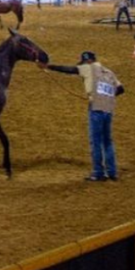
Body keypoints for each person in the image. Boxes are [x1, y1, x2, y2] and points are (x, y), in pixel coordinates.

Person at [38, 51, 124, 182]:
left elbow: (69, 70)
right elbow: (121, 89)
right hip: (108, 109)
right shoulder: (109, 72)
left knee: (95, 141)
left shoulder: (88, 67)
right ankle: (112, 172)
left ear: (88, 61)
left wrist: (48, 66)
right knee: (107, 141)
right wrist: (107, 96)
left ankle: (98, 172)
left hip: (96, 108)